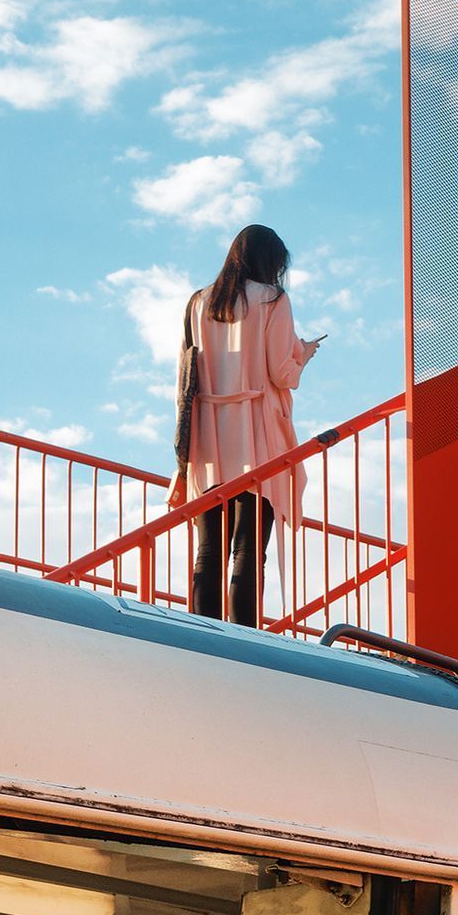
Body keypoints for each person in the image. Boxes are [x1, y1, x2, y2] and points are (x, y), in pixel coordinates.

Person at [170, 225, 323, 626]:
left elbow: (186, 376)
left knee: (209, 549)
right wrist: (303, 354)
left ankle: (201, 629)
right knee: (249, 547)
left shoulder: (199, 302)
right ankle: (243, 634)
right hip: (256, 434)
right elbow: (281, 372)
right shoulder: (272, 299)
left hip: (208, 435)